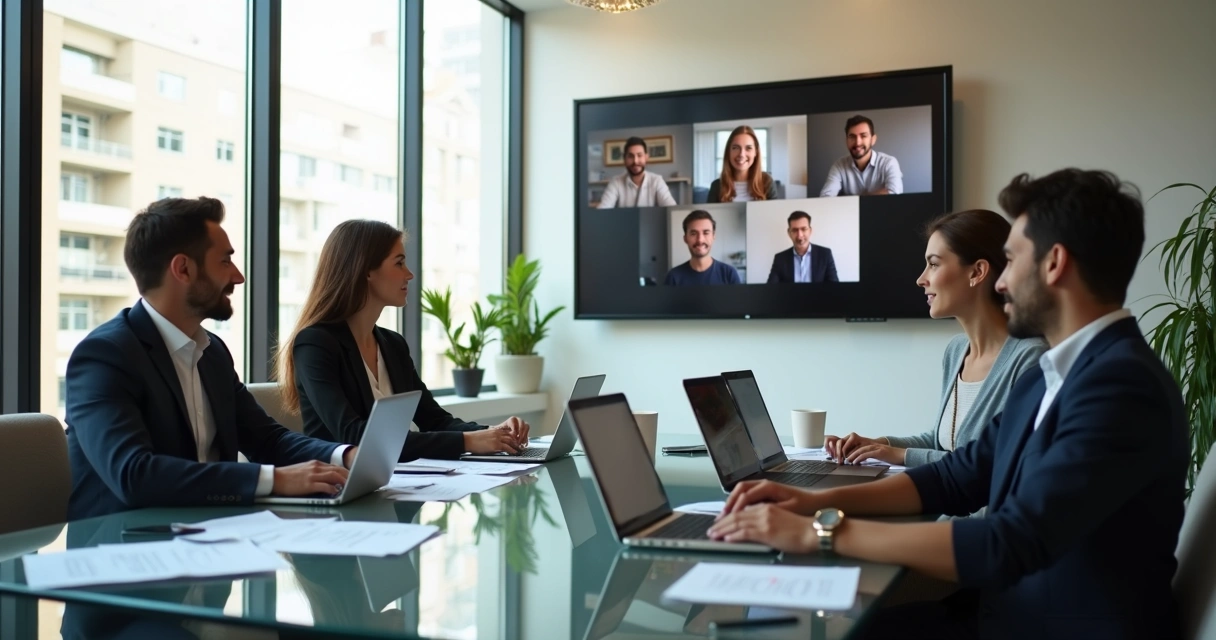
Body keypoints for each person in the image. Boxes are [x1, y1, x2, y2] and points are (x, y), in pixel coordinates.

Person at [709, 169, 1188, 640]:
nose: (1001, 283)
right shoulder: (1059, 374)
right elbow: (956, 476)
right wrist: (814, 501)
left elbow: (1011, 542)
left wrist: (822, 532)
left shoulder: (1121, 387)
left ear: (1054, 263)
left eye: (1012, 260)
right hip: (1008, 613)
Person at [64, 197, 355, 521]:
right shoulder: (105, 356)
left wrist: (344, 456)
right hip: (122, 552)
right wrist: (277, 480)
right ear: (183, 269)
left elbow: (268, 440)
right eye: (225, 261)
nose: (238, 276)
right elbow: (134, 475)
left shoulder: (212, 351)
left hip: (213, 537)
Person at [278, 219, 531, 462]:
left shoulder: (393, 344)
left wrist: (495, 433)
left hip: (397, 483)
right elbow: (355, 436)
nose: (409, 275)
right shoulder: (315, 344)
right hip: (340, 488)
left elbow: (435, 420)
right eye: (399, 263)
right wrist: (467, 441)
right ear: (366, 271)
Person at [825, 210, 1045, 471]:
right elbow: (941, 443)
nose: (921, 279)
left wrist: (900, 455)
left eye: (934, 264)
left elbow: (999, 464)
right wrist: (875, 445)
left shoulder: (1031, 358)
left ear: (977, 272)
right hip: (943, 505)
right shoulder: (956, 352)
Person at [819, 115, 903, 197]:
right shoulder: (839, 166)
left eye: (863, 136)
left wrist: (857, 200)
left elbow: (895, 194)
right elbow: (825, 197)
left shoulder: (888, 163)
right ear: (846, 140)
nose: (857, 142)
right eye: (852, 137)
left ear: (873, 140)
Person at [663, 210, 742, 285]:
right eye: (693, 233)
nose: (700, 240)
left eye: (706, 233)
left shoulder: (729, 274)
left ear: (713, 236)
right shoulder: (673, 277)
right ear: (685, 239)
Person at [597, 136, 677, 208]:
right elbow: (604, 207)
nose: (635, 161)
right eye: (630, 156)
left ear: (646, 157)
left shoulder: (657, 181)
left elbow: (671, 208)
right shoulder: (615, 182)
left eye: (639, 155)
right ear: (624, 158)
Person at [707, 125, 778, 202]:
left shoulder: (767, 181)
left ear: (756, 152)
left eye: (748, 148)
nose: (741, 154)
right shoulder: (717, 186)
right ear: (728, 152)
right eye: (736, 148)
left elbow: (774, 213)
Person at [766, 211, 840, 283]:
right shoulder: (780, 258)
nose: (799, 235)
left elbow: (834, 288)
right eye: (795, 230)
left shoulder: (825, 254)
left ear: (810, 231)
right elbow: (771, 289)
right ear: (789, 233)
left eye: (804, 229)